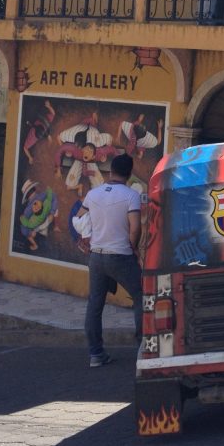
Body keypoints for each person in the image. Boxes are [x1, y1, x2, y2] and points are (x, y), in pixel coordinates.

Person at [79, 153, 143, 368]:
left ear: (110, 171)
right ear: (129, 173)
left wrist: (86, 237)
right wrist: (134, 248)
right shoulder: (131, 196)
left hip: (96, 256)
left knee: (95, 304)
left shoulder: (92, 194)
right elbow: (135, 228)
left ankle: (95, 354)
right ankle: (144, 349)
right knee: (142, 296)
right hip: (121, 255)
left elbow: (79, 218)